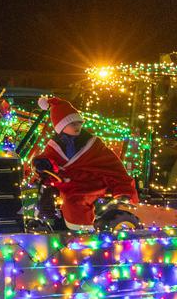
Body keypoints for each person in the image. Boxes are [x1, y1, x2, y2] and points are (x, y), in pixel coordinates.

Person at [31, 97, 138, 230]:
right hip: (66, 183)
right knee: (43, 191)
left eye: (79, 123)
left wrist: (123, 190)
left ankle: (82, 229)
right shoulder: (55, 145)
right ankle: (46, 219)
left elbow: (113, 167)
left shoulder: (93, 145)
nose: (77, 127)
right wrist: (43, 163)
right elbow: (49, 158)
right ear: (61, 127)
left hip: (89, 183)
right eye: (73, 124)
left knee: (75, 201)